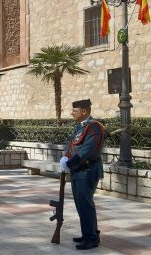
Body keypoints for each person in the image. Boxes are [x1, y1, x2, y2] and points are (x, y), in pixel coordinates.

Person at [59, 99, 104, 250]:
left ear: (84, 111)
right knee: (81, 205)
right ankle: (88, 233)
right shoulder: (80, 127)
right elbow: (73, 145)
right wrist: (66, 157)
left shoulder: (94, 127)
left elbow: (87, 151)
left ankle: (91, 239)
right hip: (78, 170)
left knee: (86, 204)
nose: (72, 113)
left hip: (88, 170)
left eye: (74, 110)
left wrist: (69, 163)